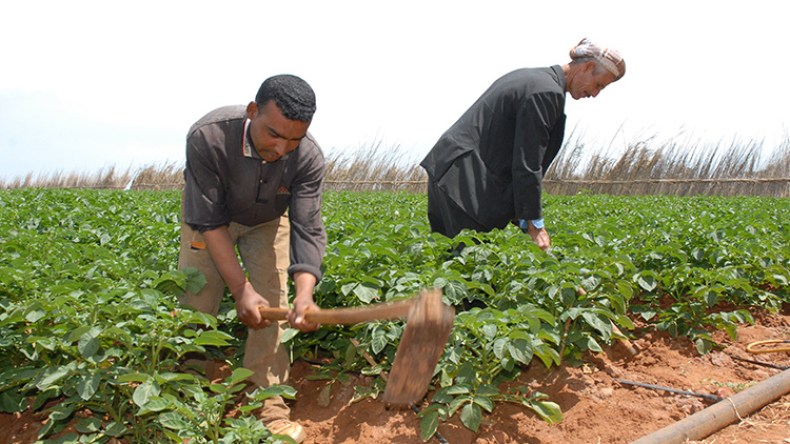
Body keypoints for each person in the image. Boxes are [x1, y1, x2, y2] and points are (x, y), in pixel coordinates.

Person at [178, 74, 326, 443]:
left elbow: (307, 228)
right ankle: (186, 398)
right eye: (274, 134)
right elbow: (210, 222)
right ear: (252, 111)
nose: (282, 149)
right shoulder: (209, 137)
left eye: (294, 138)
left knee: (275, 303)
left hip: (268, 221)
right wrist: (240, 288)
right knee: (197, 301)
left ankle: (268, 406)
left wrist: (304, 295)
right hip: (212, 222)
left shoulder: (307, 156)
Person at [420, 38, 626, 251]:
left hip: (450, 175)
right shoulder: (545, 92)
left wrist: (521, 216)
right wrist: (534, 223)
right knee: (470, 270)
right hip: (466, 187)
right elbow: (528, 162)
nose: (594, 94)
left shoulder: (533, 78)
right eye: (599, 85)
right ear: (588, 67)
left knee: (448, 261)